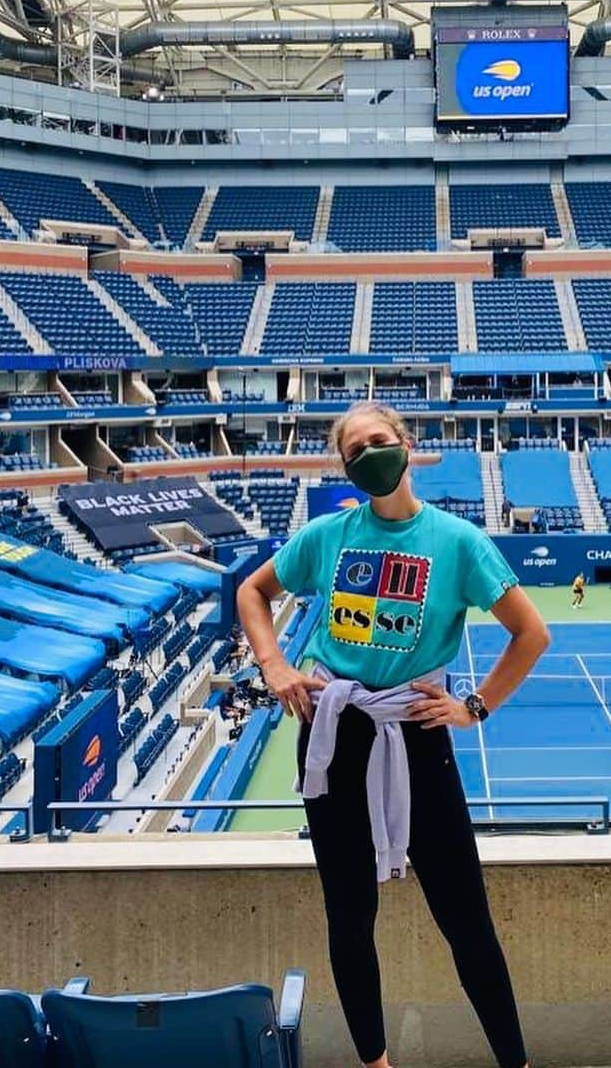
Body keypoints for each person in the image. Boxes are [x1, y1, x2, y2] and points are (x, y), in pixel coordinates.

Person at [238, 401, 548, 1068]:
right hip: (334, 736)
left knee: (466, 921)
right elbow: (252, 593)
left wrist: (474, 707)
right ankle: (376, 1064)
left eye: (379, 440)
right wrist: (275, 665)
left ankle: (515, 1062)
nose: (369, 454)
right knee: (349, 918)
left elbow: (532, 632)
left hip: (415, 738)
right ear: (345, 467)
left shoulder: (458, 543)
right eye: (354, 451)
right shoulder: (327, 536)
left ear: (406, 446)